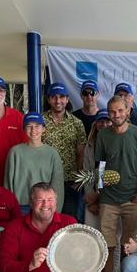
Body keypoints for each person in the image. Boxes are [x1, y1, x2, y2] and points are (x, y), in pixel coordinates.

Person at [91, 96, 137, 272]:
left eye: (120, 111)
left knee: (130, 248)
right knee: (108, 248)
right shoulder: (104, 135)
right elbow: (99, 166)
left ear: (128, 111)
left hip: (131, 200)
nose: (116, 115)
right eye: (112, 112)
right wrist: (99, 191)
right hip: (109, 200)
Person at [83, 110, 121, 272]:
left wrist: (102, 198)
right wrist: (91, 198)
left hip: (113, 200)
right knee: (91, 240)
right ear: (95, 125)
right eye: (100, 122)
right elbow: (86, 173)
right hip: (92, 200)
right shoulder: (89, 146)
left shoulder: (118, 142)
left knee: (112, 242)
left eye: (107, 121)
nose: (104, 125)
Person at [5, 112, 65, 214]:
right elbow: (8, 184)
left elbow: (58, 186)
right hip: (21, 206)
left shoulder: (52, 154)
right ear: (24, 129)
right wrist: (9, 208)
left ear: (44, 129)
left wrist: (56, 211)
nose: (33, 130)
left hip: (44, 207)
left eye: (37, 126)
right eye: (29, 126)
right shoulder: (15, 152)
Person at [42, 82, 86, 218]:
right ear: (49, 100)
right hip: (45, 179)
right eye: (54, 97)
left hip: (69, 181)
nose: (58, 101)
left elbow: (81, 154)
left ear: (67, 99)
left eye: (62, 97)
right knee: (46, 217)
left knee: (68, 219)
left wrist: (79, 180)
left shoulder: (76, 123)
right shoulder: (41, 121)